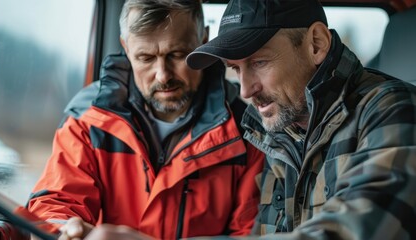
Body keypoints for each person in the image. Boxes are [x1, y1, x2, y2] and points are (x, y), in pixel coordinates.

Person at [26, 0, 264, 239]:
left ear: (203, 40)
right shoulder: (88, 121)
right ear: (126, 48)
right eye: (146, 58)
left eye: (177, 55)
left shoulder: (247, 135)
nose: (162, 76)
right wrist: (65, 231)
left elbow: (248, 235)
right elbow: (55, 203)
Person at [187, 0, 416, 239]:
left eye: (259, 62)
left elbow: (359, 231)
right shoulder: (280, 137)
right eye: (235, 68)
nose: (245, 90)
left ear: (316, 44)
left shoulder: (393, 110)